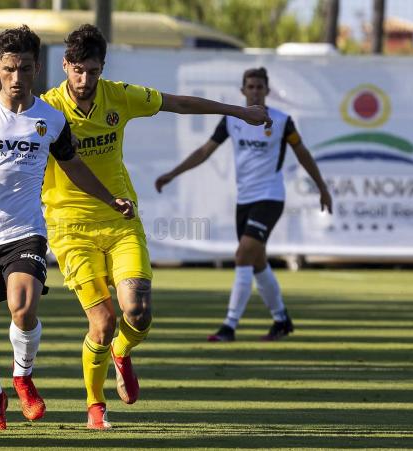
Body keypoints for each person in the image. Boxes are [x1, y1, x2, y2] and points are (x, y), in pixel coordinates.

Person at [41, 25, 272, 429]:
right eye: (76, 70)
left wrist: (239, 112)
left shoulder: (119, 96)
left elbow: (178, 103)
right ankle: (95, 406)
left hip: (121, 219)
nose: (84, 80)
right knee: (103, 321)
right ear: (65, 65)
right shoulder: (46, 108)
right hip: (70, 227)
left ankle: (122, 353)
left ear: (102, 67)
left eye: (92, 71)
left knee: (139, 313)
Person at [0, 25, 135, 431]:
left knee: (22, 307)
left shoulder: (51, 120)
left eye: (24, 68)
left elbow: (74, 165)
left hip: (26, 230)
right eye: (9, 69)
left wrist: (110, 199)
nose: (17, 77)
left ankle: (22, 376)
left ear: (36, 68)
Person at [156, 67, 332, 343]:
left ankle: (229, 326)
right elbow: (204, 151)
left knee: (242, 255)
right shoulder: (231, 121)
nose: (255, 91)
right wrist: (172, 174)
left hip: (270, 197)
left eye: (259, 87)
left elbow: (303, 153)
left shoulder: (282, 121)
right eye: (250, 87)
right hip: (245, 200)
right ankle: (282, 319)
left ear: (267, 90)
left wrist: (322, 187)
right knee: (257, 262)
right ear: (242, 91)